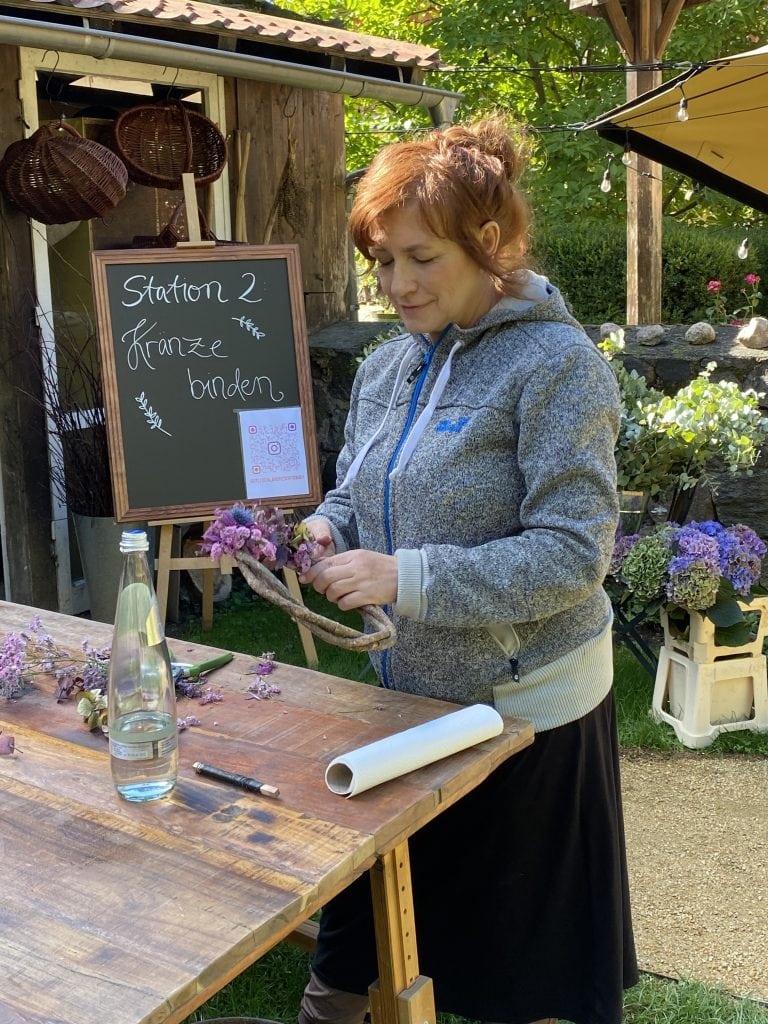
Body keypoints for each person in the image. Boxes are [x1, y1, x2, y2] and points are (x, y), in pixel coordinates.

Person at [297, 115, 638, 1024]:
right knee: (363, 935)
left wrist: (405, 578)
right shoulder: (386, 367)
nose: (395, 285)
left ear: (489, 245)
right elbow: (357, 492)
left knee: (509, 975)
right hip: (407, 701)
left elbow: (574, 556)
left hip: (523, 712)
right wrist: (326, 534)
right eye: (381, 261)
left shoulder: (559, 367)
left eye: (420, 259)